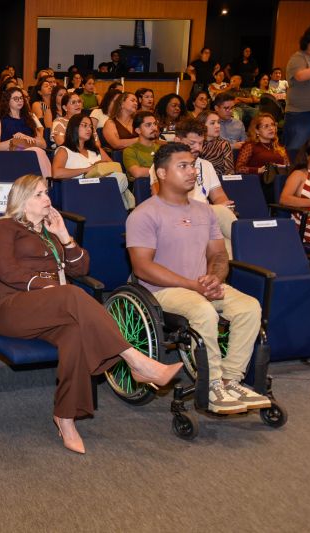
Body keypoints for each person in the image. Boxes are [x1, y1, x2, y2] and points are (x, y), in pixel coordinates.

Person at [0, 174, 182, 453]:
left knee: (76, 334)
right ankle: (136, 360)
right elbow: (5, 271)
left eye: (47, 193)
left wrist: (64, 237)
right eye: (39, 194)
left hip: (54, 308)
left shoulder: (50, 232)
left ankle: (65, 418)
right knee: (71, 294)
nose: (47, 200)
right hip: (13, 307)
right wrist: (50, 286)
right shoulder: (5, 228)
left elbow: (81, 269)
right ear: (22, 200)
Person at [127, 143, 270, 415]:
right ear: (162, 173)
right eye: (183, 166)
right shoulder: (144, 214)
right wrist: (194, 285)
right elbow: (142, 267)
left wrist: (215, 279)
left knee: (249, 307)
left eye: (192, 165)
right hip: (162, 291)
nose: (192, 171)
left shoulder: (205, 211)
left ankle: (230, 380)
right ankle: (213, 384)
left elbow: (218, 254)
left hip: (201, 285)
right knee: (203, 311)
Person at [151, 118, 237, 256]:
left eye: (201, 143)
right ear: (178, 140)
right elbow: (158, 200)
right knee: (223, 217)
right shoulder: (163, 166)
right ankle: (252, 246)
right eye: (192, 143)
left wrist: (222, 205)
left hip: (206, 219)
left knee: (228, 244)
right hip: (179, 217)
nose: (198, 148)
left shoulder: (206, 165)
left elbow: (219, 196)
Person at [53, 114, 132, 208]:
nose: (89, 129)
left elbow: (114, 167)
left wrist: (101, 166)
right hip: (79, 188)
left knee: (120, 177)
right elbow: (56, 173)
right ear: (74, 127)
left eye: (91, 126)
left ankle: (101, 201)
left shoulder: (96, 149)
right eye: (84, 125)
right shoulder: (64, 150)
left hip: (101, 184)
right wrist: (87, 169)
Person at [0, 88, 51, 177]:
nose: (20, 101)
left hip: (31, 155)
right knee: (37, 151)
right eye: (15, 98)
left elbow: (43, 144)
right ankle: (48, 181)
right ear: (7, 101)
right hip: (10, 156)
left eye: (21, 98)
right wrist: (15, 140)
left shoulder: (29, 119)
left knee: (37, 151)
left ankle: (46, 181)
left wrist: (28, 139)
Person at [123, 110, 162, 181]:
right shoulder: (130, 151)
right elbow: (137, 172)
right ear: (138, 130)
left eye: (155, 124)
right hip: (145, 189)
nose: (154, 128)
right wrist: (163, 171)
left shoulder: (161, 149)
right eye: (148, 125)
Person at [198, 110, 235, 177]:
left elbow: (229, 171)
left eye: (218, 122)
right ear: (202, 125)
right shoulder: (195, 144)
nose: (217, 126)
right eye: (212, 123)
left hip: (218, 181)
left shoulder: (223, 144)